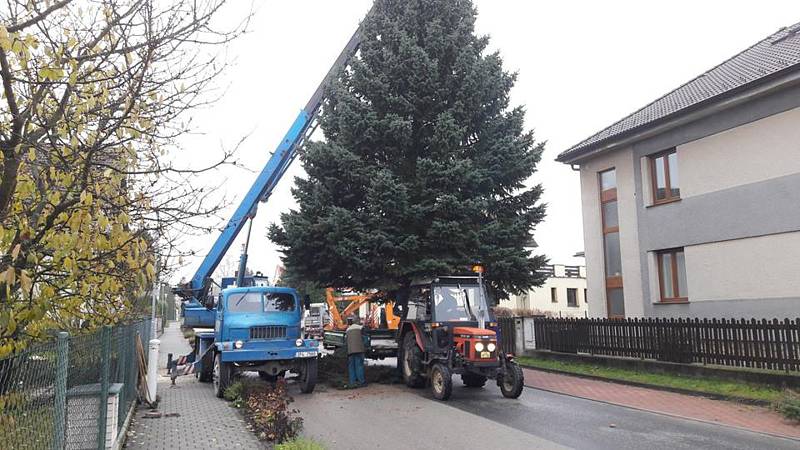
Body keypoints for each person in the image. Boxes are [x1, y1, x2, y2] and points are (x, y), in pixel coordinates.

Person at [345, 316, 367, 387]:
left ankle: (352, 382)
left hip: (350, 351)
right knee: (359, 366)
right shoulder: (360, 328)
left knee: (351, 367)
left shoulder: (348, 330)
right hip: (359, 350)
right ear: (357, 321)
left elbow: (346, 341)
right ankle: (361, 382)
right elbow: (365, 339)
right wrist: (365, 347)